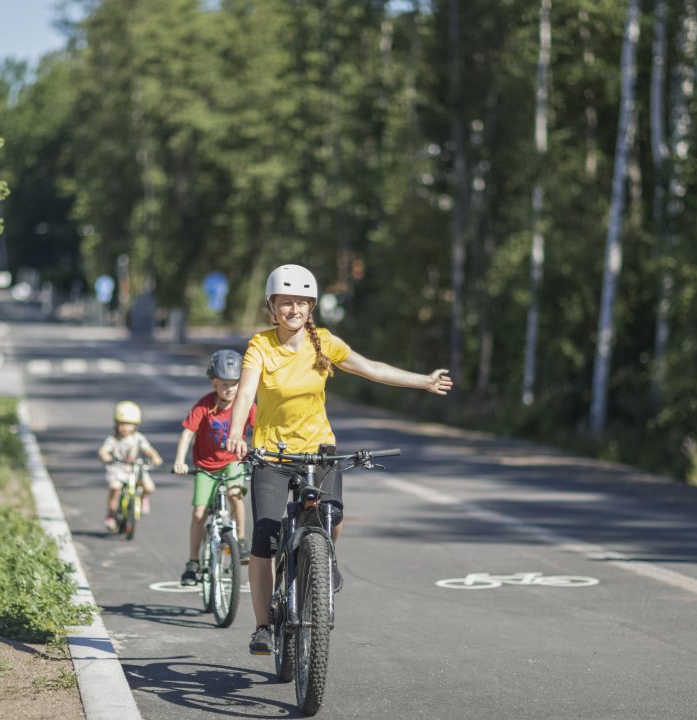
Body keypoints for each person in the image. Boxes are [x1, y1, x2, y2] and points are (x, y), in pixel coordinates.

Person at [224, 264, 452, 655]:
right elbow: (245, 393)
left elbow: (371, 369)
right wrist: (235, 432)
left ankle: (322, 558)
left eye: (300, 303)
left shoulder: (324, 343)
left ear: (311, 307)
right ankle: (262, 626)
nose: (293, 309)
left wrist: (423, 380)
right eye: (285, 303)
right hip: (273, 453)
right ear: (272, 306)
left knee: (333, 515)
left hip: (318, 449)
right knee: (264, 537)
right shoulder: (260, 345)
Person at [173, 349, 257, 585]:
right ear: (214, 382)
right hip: (206, 466)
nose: (229, 389)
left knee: (235, 495)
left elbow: (260, 429)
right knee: (199, 512)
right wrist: (180, 461)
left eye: (234, 384)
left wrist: (258, 455)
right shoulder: (205, 405)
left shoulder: (246, 404)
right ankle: (193, 562)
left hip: (232, 461)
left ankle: (240, 540)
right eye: (224, 384)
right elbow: (187, 433)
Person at [99, 400, 163, 532]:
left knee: (149, 487)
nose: (124, 427)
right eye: (121, 423)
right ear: (116, 423)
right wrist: (106, 457)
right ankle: (111, 514)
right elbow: (103, 451)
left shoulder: (138, 438)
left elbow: (148, 450)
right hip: (118, 468)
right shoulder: (113, 439)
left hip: (135, 469)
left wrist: (155, 458)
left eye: (129, 424)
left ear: (135, 425)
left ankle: (142, 498)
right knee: (115, 489)